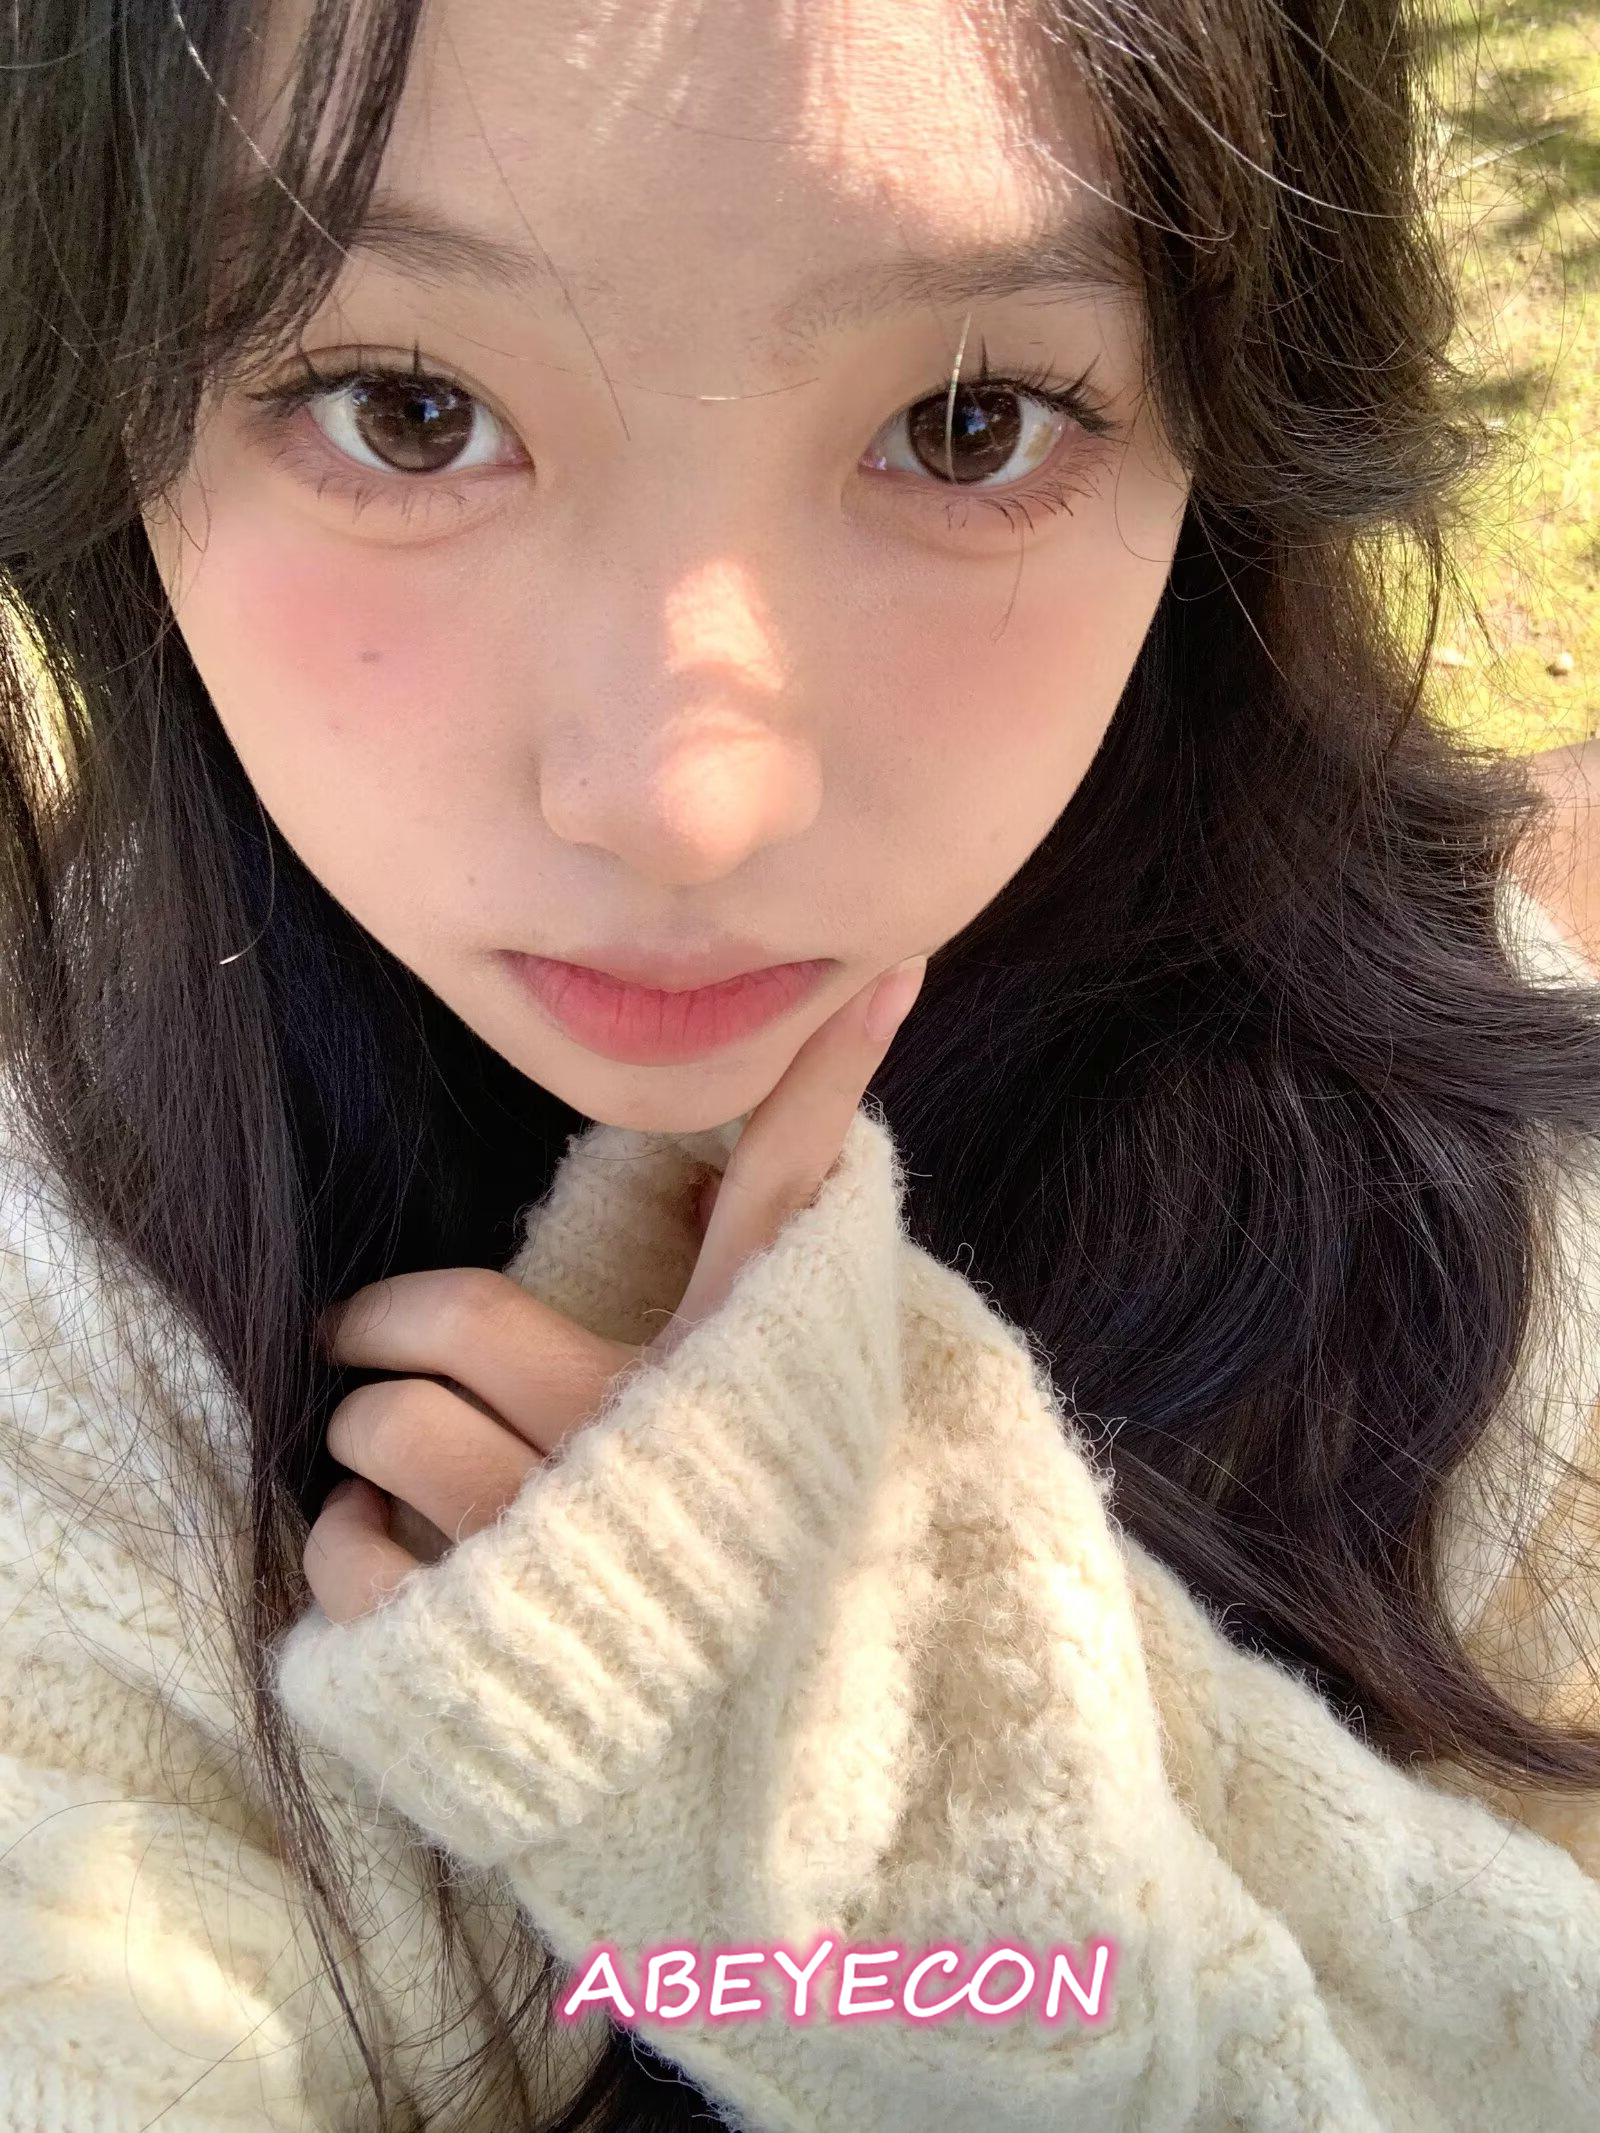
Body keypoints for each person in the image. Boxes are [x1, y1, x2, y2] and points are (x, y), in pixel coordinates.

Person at [1, 0, 1598, 2127]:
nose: (690, 803)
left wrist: (864, 1798)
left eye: (965, 423)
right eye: (404, 409)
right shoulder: (52, 1315)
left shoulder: (1480, 1221)